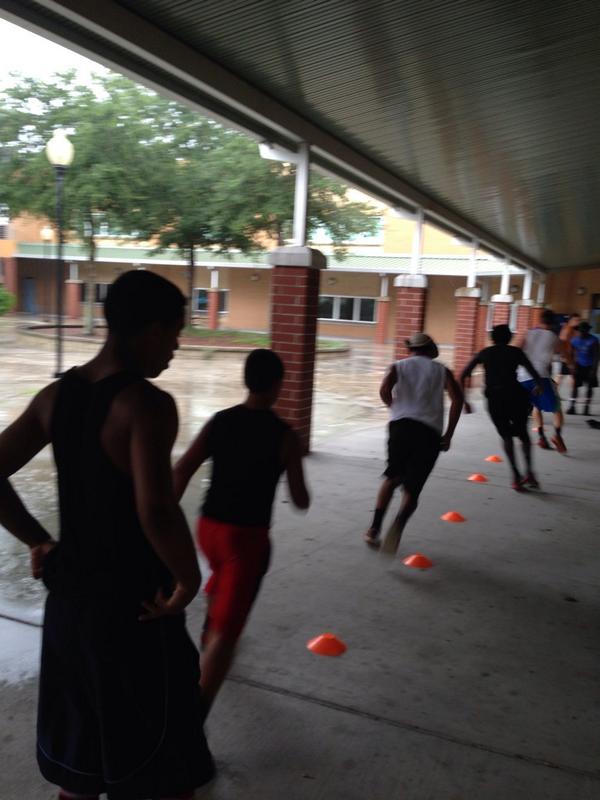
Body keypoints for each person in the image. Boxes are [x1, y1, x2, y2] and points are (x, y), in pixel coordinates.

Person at [0, 271, 214, 800]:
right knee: (160, 772)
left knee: (81, 768)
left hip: (72, 604)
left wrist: (37, 539)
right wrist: (188, 582)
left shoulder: (55, 397)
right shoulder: (146, 405)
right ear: (151, 330)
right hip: (137, 609)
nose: (177, 347)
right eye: (175, 333)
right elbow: (157, 510)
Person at [173, 348, 310, 717]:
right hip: (245, 541)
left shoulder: (219, 421)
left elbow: (183, 469)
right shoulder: (284, 436)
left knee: (222, 574)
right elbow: (300, 500)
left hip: (208, 529)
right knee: (227, 639)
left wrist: (162, 518)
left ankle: (210, 624)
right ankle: (194, 722)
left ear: (246, 380)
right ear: (278, 385)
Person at [363, 333, 463, 552]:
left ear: (412, 349)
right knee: (412, 490)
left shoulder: (398, 366)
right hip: (429, 433)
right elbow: (458, 399)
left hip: (401, 428)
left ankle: (374, 529)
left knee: (392, 477)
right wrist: (448, 434)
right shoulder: (442, 370)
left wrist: (396, 408)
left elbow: (384, 390)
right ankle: (398, 526)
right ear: (431, 350)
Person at [461, 324, 543, 490]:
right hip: (516, 396)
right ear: (510, 338)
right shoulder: (516, 352)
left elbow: (463, 375)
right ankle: (530, 472)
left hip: (495, 398)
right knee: (523, 434)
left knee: (506, 436)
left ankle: (515, 476)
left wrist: (465, 400)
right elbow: (534, 374)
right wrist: (537, 387)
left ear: (492, 338)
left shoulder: (484, 353)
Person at [517, 308, 566, 453]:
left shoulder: (527, 333)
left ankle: (541, 437)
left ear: (540, 320)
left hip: (523, 378)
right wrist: (571, 364)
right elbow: (565, 355)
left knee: (536, 407)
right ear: (553, 322)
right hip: (542, 378)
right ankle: (557, 436)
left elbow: (515, 350)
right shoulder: (554, 337)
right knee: (557, 409)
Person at [567, 321, 599, 415]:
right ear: (578, 331)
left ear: (588, 331)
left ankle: (586, 408)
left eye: (584, 331)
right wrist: (572, 366)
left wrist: (594, 369)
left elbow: (597, 356)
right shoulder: (574, 340)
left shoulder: (594, 340)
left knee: (589, 388)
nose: (582, 333)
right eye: (580, 331)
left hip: (590, 366)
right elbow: (570, 354)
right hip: (579, 366)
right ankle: (572, 407)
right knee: (575, 387)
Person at [557, 313, 581, 388]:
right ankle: (573, 396)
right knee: (563, 376)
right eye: (576, 320)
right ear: (570, 320)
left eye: (579, 320)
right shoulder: (567, 329)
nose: (578, 322)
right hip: (567, 356)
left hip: (570, 356)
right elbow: (561, 343)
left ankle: (573, 396)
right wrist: (565, 358)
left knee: (568, 376)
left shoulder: (573, 329)